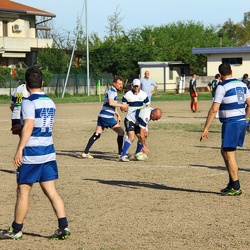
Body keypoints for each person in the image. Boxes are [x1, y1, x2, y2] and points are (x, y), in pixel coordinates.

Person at [0, 66, 70, 240]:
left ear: (25, 83)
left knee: (23, 191)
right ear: (43, 83)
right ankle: (64, 227)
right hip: (48, 151)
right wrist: (23, 127)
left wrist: (19, 149)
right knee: (51, 191)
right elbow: (42, 125)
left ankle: (16, 230)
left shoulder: (28, 102)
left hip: (32, 153)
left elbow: (30, 126)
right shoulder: (50, 102)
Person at [200, 63, 250, 196]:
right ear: (231, 72)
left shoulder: (222, 86)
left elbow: (214, 109)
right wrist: (244, 118)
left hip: (231, 123)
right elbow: (249, 104)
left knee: (229, 153)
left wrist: (206, 128)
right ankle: (232, 183)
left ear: (220, 75)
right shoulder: (242, 85)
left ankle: (236, 186)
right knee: (225, 151)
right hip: (239, 121)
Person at [82, 76, 129, 158]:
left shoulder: (113, 91)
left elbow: (111, 106)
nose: (120, 86)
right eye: (119, 84)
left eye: (121, 84)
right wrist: (123, 105)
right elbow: (111, 103)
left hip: (102, 116)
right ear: (114, 83)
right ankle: (120, 153)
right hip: (107, 117)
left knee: (97, 134)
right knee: (121, 132)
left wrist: (118, 115)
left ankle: (85, 152)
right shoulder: (112, 92)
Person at [120, 79, 150, 160]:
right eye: (135, 86)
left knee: (144, 135)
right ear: (132, 86)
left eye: (137, 86)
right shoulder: (127, 95)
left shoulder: (143, 94)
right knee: (131, 136)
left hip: (140, 119)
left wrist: (146, 113)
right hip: (131, 118)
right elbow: (123, 107)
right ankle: (123, 154)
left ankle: (137, 153)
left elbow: (148, 105)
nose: (136, 87)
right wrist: (123, 109)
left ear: (140, 86)